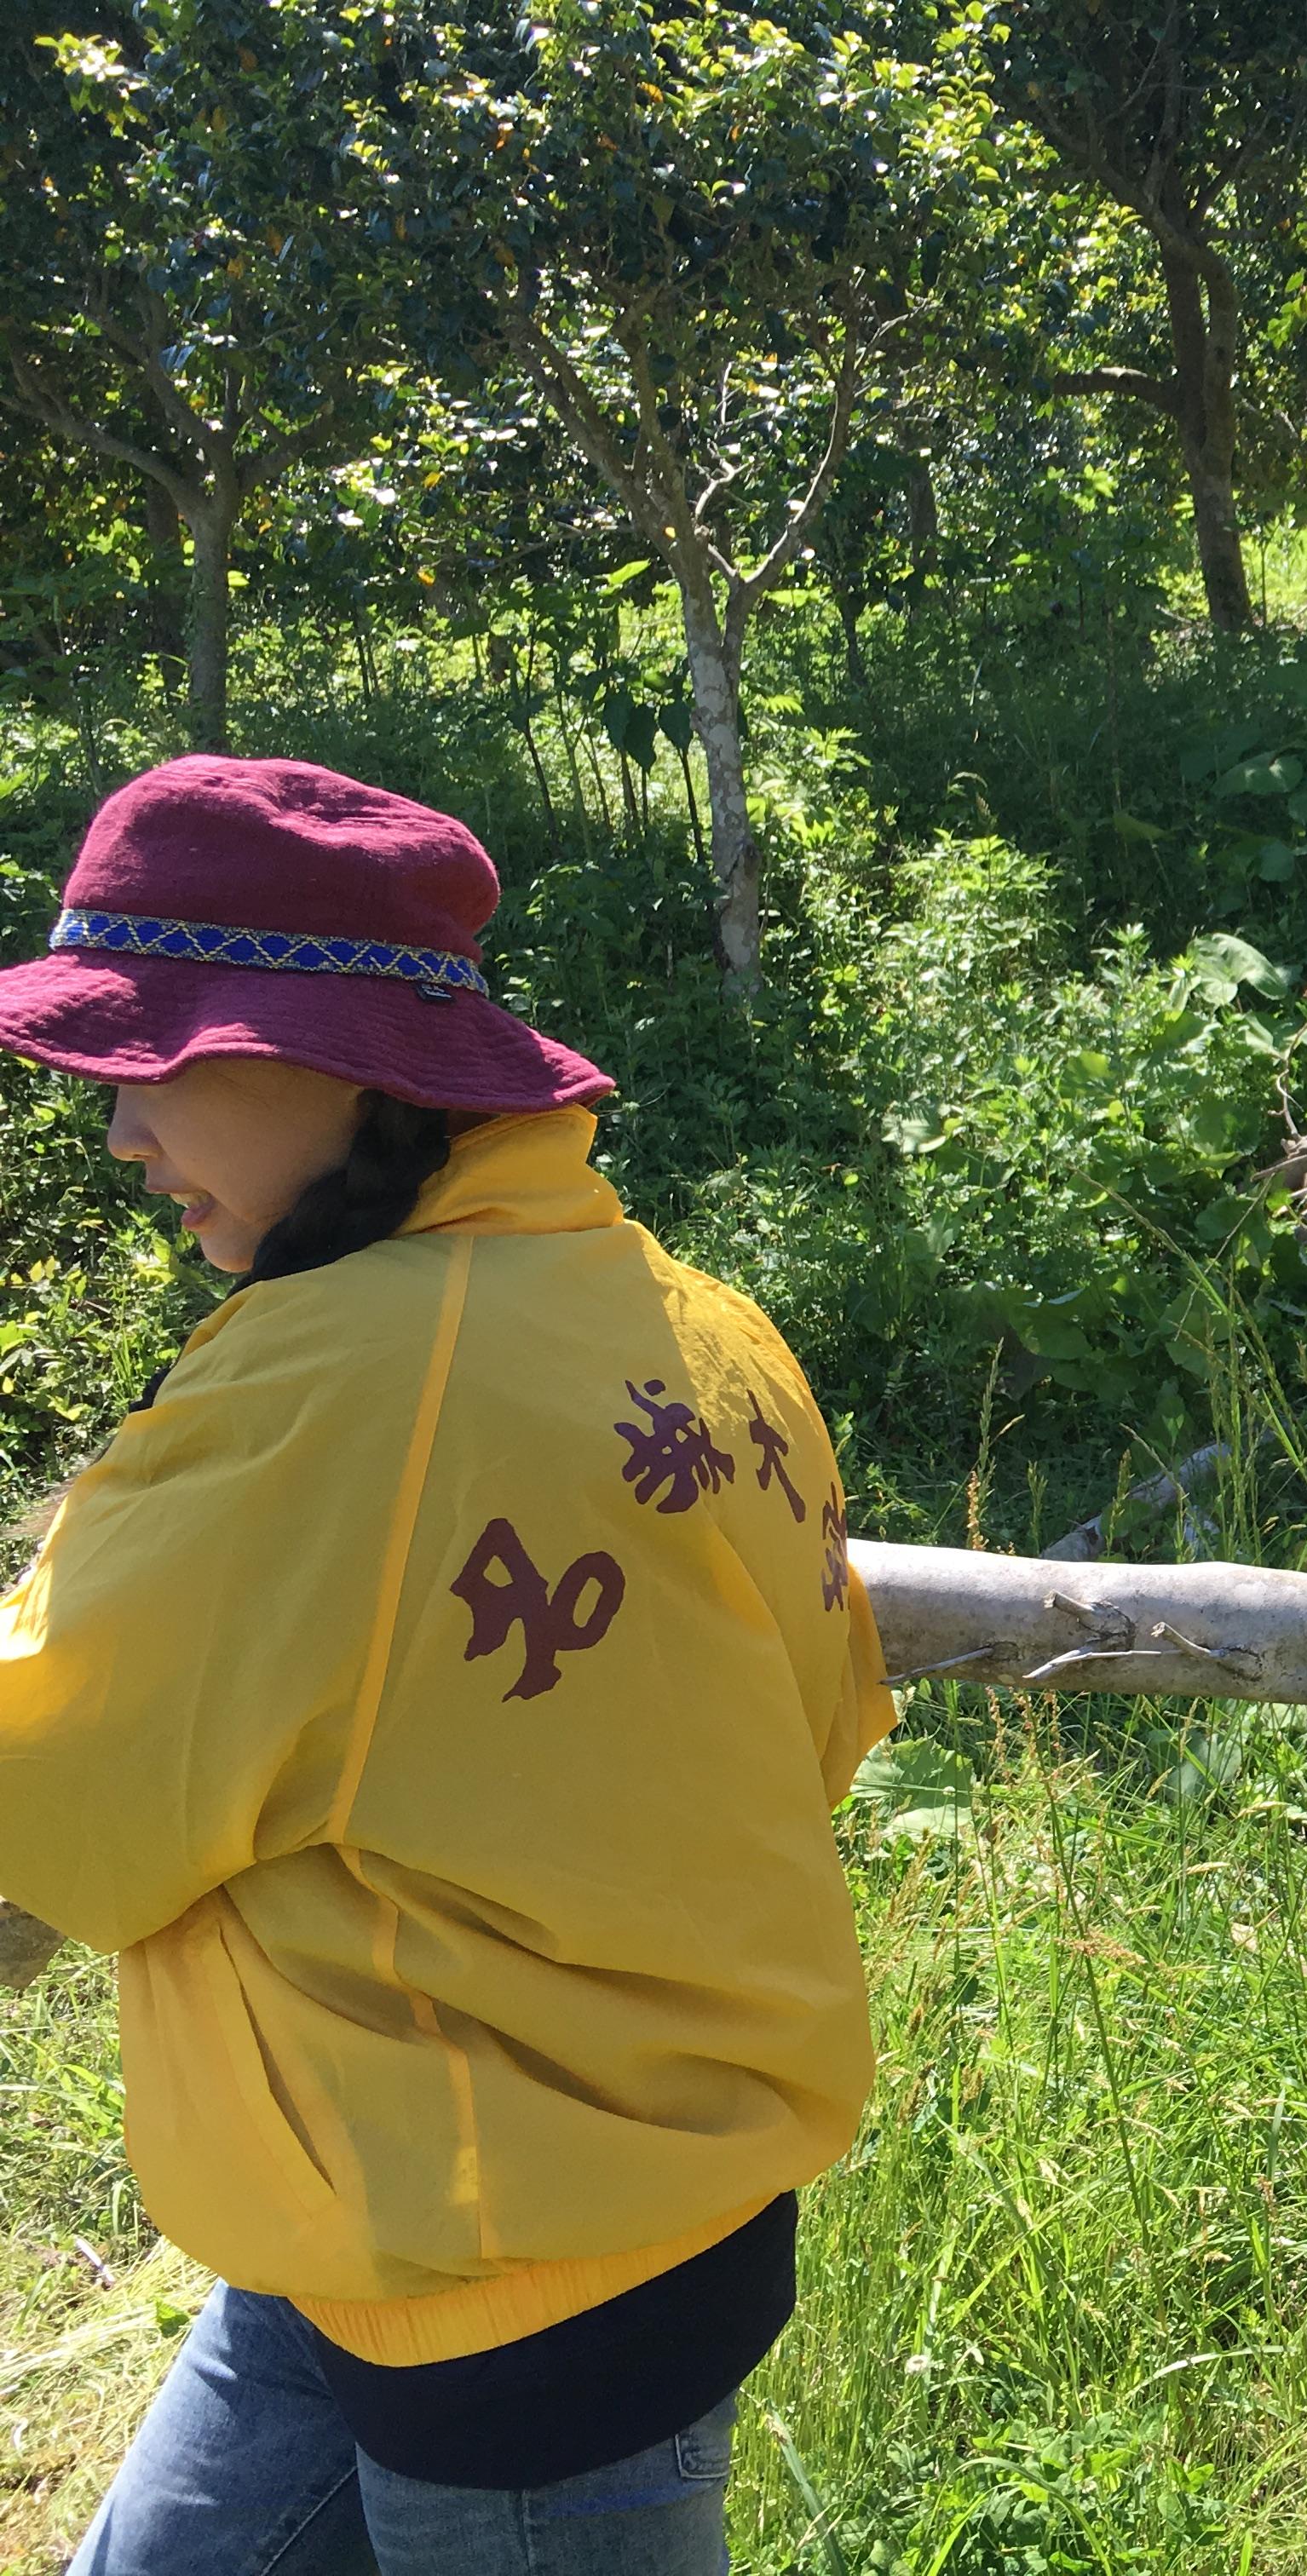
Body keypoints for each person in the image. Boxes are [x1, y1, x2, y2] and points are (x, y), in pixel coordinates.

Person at [0, 757, 893, 2570]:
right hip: (491, 2209)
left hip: (508, 2272)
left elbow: (64, 1820)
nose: (114, 1131)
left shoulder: (326, 1388)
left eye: (148, 1061)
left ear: (330, 1056)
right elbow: (827, 1714)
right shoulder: (676, 1305)